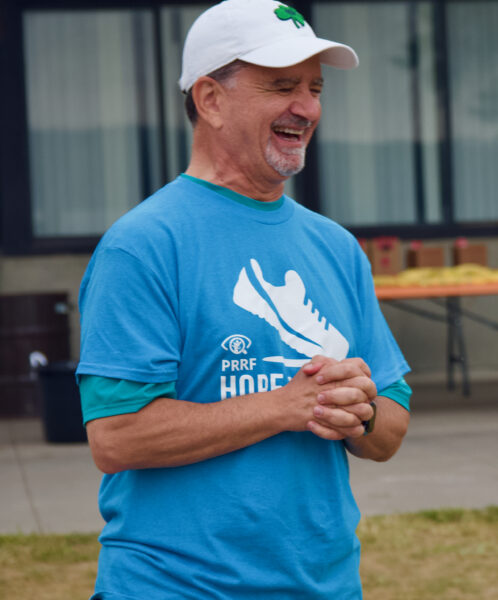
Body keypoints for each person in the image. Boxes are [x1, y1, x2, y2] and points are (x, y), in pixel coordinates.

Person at [76, 1, 411, 598]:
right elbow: (117, 436)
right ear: (210, 99)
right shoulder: (144, 245)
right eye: (282, 86)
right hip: (174, 586)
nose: (306, 107)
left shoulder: (334, 246)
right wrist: (288, 405)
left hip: (326, 586)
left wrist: (358, 411)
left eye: (314, 88)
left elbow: (390, 428)